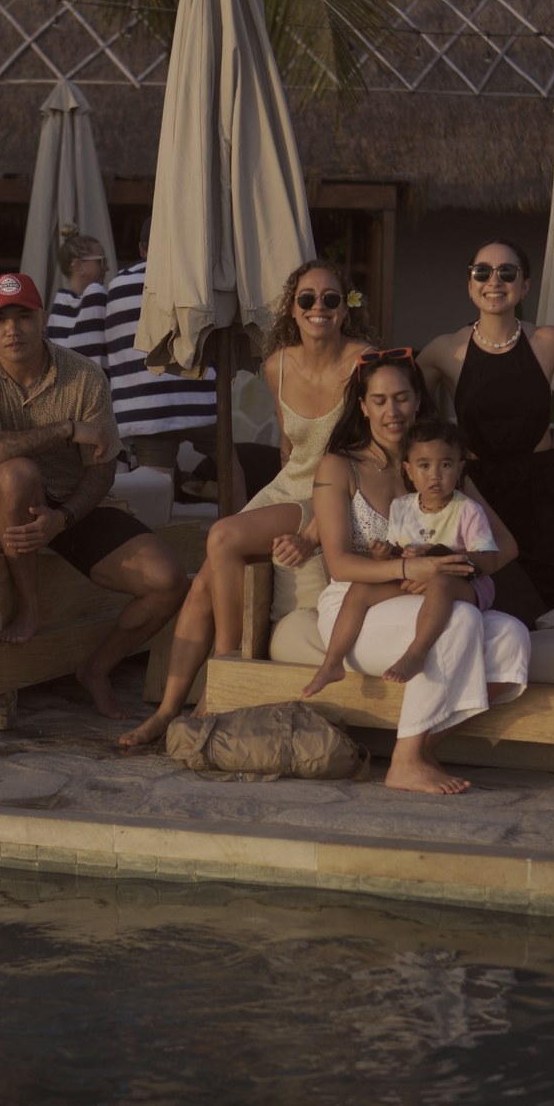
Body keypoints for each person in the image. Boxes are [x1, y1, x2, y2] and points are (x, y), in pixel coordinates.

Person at [119, 259, 379, 747]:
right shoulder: (278, 364)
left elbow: (370, 447)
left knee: (222, 534)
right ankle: (167, 710)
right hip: (291, 484)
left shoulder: (364, 363)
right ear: (293, 310)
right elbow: (288, 448)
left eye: (330, 298)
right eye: (307, 299)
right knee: (202, 586)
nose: (318, 307)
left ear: (346, 309)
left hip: (336, 490)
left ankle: (224, 676)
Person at [0, 272, 189, 717]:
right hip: (8, 500)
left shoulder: (85, 376)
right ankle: (29, 607)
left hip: (72, 504)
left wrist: (67, 517)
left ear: (42, 318)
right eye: (0, 319)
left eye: (23, 316)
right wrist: (64, 429)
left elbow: (103, 467)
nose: (12, 329)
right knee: (16, 472)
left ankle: (97, 668)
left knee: (168, 582)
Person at [309, 352, 530, 794]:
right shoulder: (339, 466)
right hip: (359, 603)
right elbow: (339, 563)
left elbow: (505, 547)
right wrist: (411, 566)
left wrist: (454, 566)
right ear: (363, 406)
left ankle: (422, 746)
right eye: (380, 400)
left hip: (431, 595)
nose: (393, 411)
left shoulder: (441, 467)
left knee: (511, 637)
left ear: (417, 400)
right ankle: (406, 762)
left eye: (403, 398)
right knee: (462, 619)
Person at [417, 239, 554, 615]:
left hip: (546, 497)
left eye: (507, 273)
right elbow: (397, 401)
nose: (494, 281)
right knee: (498, 606)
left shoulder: (548, 341)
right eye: (482, 272)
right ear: (470, 284)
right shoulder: (444, 350)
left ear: (525, 285)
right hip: (481, 498)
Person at [303, 419, 498, 697]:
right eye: (424, 466)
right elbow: (396, 554)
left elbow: (488, 561)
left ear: (460, 468)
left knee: (440, 583)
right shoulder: (402, 508)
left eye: (445, 465)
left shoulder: (467, 510)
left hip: (462, 584)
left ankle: (416, 653)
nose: (435, 476)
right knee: (361, 588)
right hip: (414, 578)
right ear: (408, 469)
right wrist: (382, 555)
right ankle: (332, 663)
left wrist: (437, 559)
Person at [102, 216, 238, 499]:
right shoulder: (196, 279)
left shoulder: (117, 285)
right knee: (229, 463)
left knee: (157, 484)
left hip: (147, 404)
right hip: (199, 397)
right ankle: (242, 517)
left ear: (142, 250)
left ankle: (157, 535)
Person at [44, 229, 110, 366]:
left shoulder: (58, 306)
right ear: (79, 265)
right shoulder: (97, 294)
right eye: (101, 261)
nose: (107, 268)